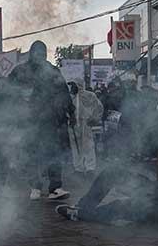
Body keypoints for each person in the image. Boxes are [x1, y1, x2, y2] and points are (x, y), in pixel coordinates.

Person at [7, 40, 73, 201]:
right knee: (31, 154)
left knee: (53, 152)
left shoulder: (52, 70)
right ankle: (35, 186)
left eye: (43, 53)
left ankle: (55, 187)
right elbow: (8, 89)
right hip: (28, 120)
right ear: (31, 53)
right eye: (37, 53)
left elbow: (63, 92)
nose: (40, 56)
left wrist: (69, 110)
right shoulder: (21, 71)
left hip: (50, 120)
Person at [68, 80, 102, 174]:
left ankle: (90, 167)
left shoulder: (89, 95)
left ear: (78, 85)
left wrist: (94, 119)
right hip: (73, 124)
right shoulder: (70, 97)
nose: (72, 87)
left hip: (85, 123)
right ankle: (78, 167)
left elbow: (99, 108)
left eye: (73, 85)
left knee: (88, 145)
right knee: (75, 147)